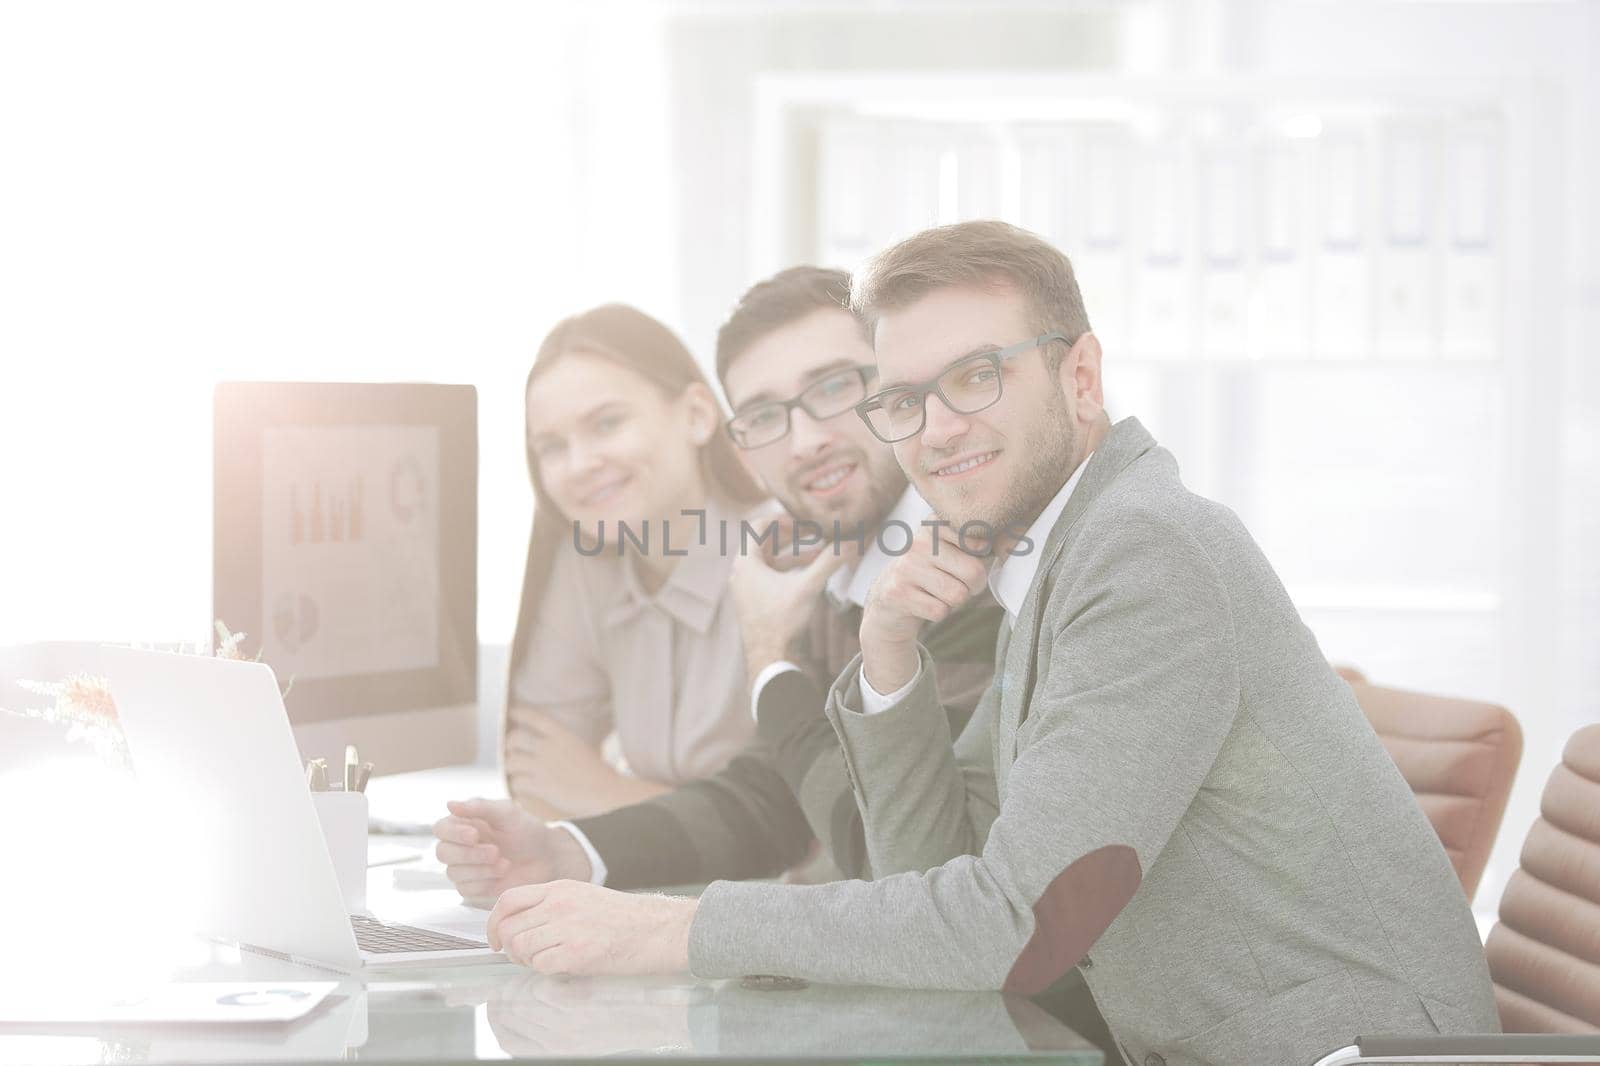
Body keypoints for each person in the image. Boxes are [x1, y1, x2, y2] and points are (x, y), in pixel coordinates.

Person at [479, 223, 1502, 1066]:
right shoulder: (1054, 553)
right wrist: (887, 659)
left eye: (976, 375)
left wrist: (674, 931)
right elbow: (934, 862)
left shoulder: (1143, 549)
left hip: (1331, 1051)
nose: (935, 426)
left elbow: (1006, 925)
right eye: (904, 398)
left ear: (1082, 375)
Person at [436, 267, 1003, 891]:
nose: (806, 440)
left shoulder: (958, 564)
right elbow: (775, 804)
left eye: (835, 387)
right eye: (764, 416)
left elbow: (896, 851)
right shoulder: (842, 575)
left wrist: (764, 659)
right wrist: (567, 852)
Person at [499, 304, 766, 819]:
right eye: (551, 446)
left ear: (696, 415)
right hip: (655, 890)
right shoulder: (587, 562)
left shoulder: (783, 551)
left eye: (607, 423)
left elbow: (803, 836)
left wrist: (611, 795)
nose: (579, 465)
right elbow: (535, 772)